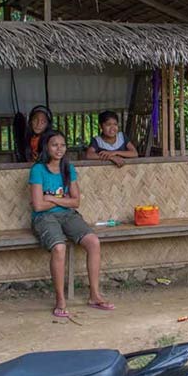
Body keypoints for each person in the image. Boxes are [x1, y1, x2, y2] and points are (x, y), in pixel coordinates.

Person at [29, 130, 115, 317]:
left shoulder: (68, 168)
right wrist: (62, 199)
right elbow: (38, 205)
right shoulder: (38, 170)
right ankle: (60, 300)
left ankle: (95, 295)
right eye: (54, 145)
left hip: (68, 214)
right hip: (44, 218)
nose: (59, 149)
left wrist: (51, 198)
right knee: (59, 247)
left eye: (62, 145)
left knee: (93, 242)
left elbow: (76, 202)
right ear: (46, 147)